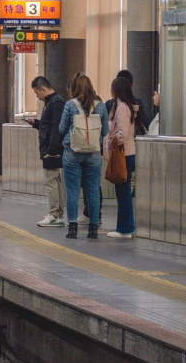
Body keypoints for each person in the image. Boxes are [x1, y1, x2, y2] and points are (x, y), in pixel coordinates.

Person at [58, 73, 108, 240]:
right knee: (92, 190)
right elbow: (106, 131)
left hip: (73, 152)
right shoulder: (101, 106)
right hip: (93, 153)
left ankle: (72, 228)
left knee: (72, 191)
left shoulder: (70, 105)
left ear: (74, 88)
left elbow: (61, 128)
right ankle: (93, 228)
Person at [31, 76, 66, 228]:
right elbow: (49, 126)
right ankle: (57, 213)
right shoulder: (52, 103)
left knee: (51, 181)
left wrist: (52, 149)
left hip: (52, 150)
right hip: (50, 148)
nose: (37, 96)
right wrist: (37, 124)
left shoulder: (56, 103)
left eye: (36, 93)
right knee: (54, 181)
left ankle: (54, 215)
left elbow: (56, 128)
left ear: (43, 89)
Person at [104, 77, 138, 238]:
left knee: (123, 192)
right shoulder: (121, 106)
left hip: (123, 154)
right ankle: (124, 226)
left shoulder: (122, 108)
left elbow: (122, 134)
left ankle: (125, 228)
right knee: (123, 192)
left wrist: (111, 140)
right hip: (126, 153)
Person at [105, 70, 151, 135]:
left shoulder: (109, 105)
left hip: (116, 142)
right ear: (132, 85)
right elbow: (150, 125)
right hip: (134, 140)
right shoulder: (139, 104)